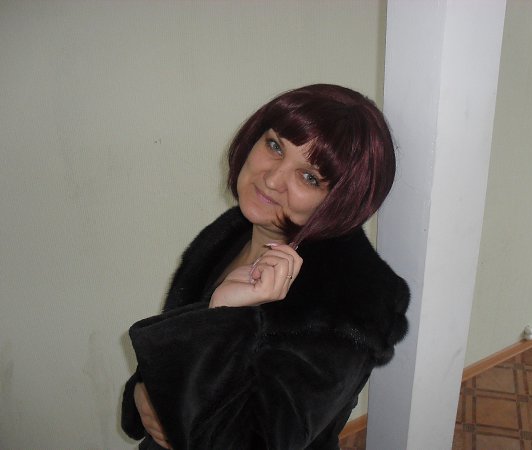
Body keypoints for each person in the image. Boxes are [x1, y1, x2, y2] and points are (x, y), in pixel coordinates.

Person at [121, 84, 410, 450]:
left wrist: (224, 313)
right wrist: (144, 393)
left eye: (309, 177)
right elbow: (176, 348)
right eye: (275, 146)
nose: (272, 180)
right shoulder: (233, 231)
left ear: (340, 201)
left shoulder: (350, 304)